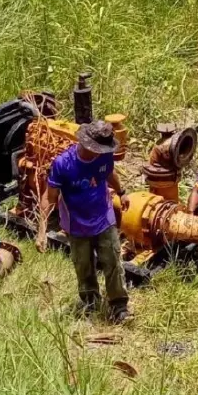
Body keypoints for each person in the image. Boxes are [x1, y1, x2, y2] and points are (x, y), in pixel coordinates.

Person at [38, 119, 130, 322]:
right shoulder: (63, 164)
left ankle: (119, 305)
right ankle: (91, 303)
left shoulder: (104, 156)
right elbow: (49, 197)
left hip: (103, 218)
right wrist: (42, 229)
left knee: (113, 261)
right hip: (76, 224)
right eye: (97, 148)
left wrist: (122, 192)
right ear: (87, 143)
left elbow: (108, 173)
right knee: (84, 266)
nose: (100, 152)